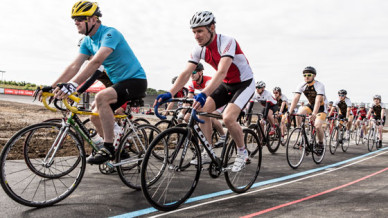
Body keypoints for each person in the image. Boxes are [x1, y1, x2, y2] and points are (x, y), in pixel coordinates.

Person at [46, 1, 147, 164]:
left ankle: (108, 148)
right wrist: (52, 87)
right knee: (94, 115)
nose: (76, 22)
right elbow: (74, 65)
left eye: (80, 18)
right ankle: (119, 147)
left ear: (93, 19)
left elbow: (96, 61)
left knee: (101, 97)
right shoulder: (87, 41)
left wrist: (72, 85)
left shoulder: (110, 34)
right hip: (118, 84)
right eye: (74, 19)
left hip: (135, 80)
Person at [155, 11, 255, 172]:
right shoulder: (198, 49)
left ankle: (242, 152)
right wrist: (170, 93)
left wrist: (204, 93)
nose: (196, 35)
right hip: (226, 84)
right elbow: (186, 73)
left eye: (200, 31)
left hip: (244, 83)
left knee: (228, 118)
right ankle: (207, 150)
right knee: (200, 110)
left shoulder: (227, 42)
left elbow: (222, 71)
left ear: (212, 28)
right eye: (194, 32)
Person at [184, 63, 227, 149]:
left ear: (200, 72)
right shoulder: (192, 83)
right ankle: (201, 134)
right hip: (208, 98)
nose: (191, 75)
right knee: (187, 117)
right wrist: (183, 112)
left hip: (220, 98)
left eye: (193, 72)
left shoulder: (208, 81)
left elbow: (208, 98)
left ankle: (223, 136)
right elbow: (189, 98)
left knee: (211, 117)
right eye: (190, 73)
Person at [287, 66, 328, 154]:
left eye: (309, 74)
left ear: (314, 76)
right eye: (304, 75)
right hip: (310, 105)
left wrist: (314, 114)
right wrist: (290, 112)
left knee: (317, 125)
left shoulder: (319, 85)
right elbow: (296, 98)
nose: (306, 76)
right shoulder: (301, 85)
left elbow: (318, 100)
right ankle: (302, 136)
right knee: (299, 114)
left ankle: (320, 143)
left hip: (321, 107)